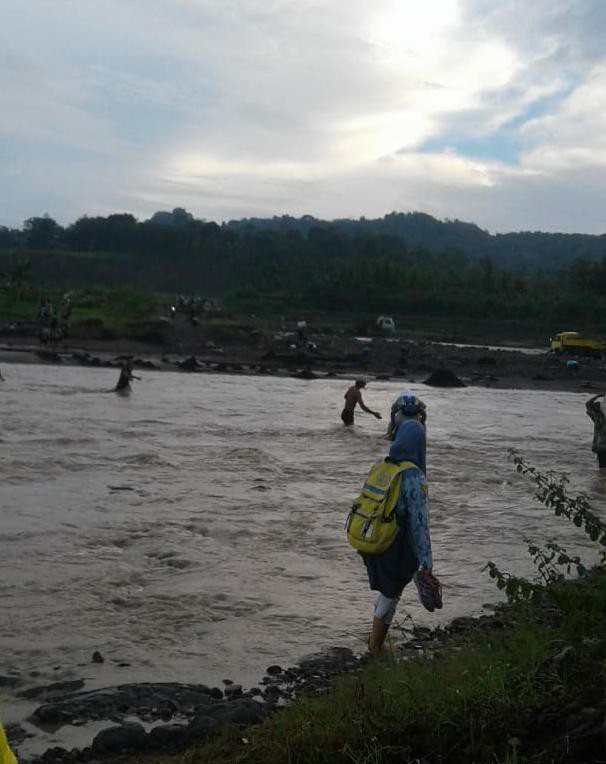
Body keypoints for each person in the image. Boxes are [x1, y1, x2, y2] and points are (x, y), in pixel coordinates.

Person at [361, 414, 436, 653]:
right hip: (396, 545)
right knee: (391, 593)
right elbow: (419, 523)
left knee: (388, 591)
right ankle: (375, 647)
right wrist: (426, 562)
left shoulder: (382, 465)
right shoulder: (413, 475)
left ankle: (375, 642)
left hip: (372, 540)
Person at [586, 393, 606, 468]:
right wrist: (597, 396)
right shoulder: (596, 417)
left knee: (602, 467)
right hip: (601, 446)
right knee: (603, 466)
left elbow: (588, 404)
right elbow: (588, 404)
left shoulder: (596, 417)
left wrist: (597, 396)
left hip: (600, 445)